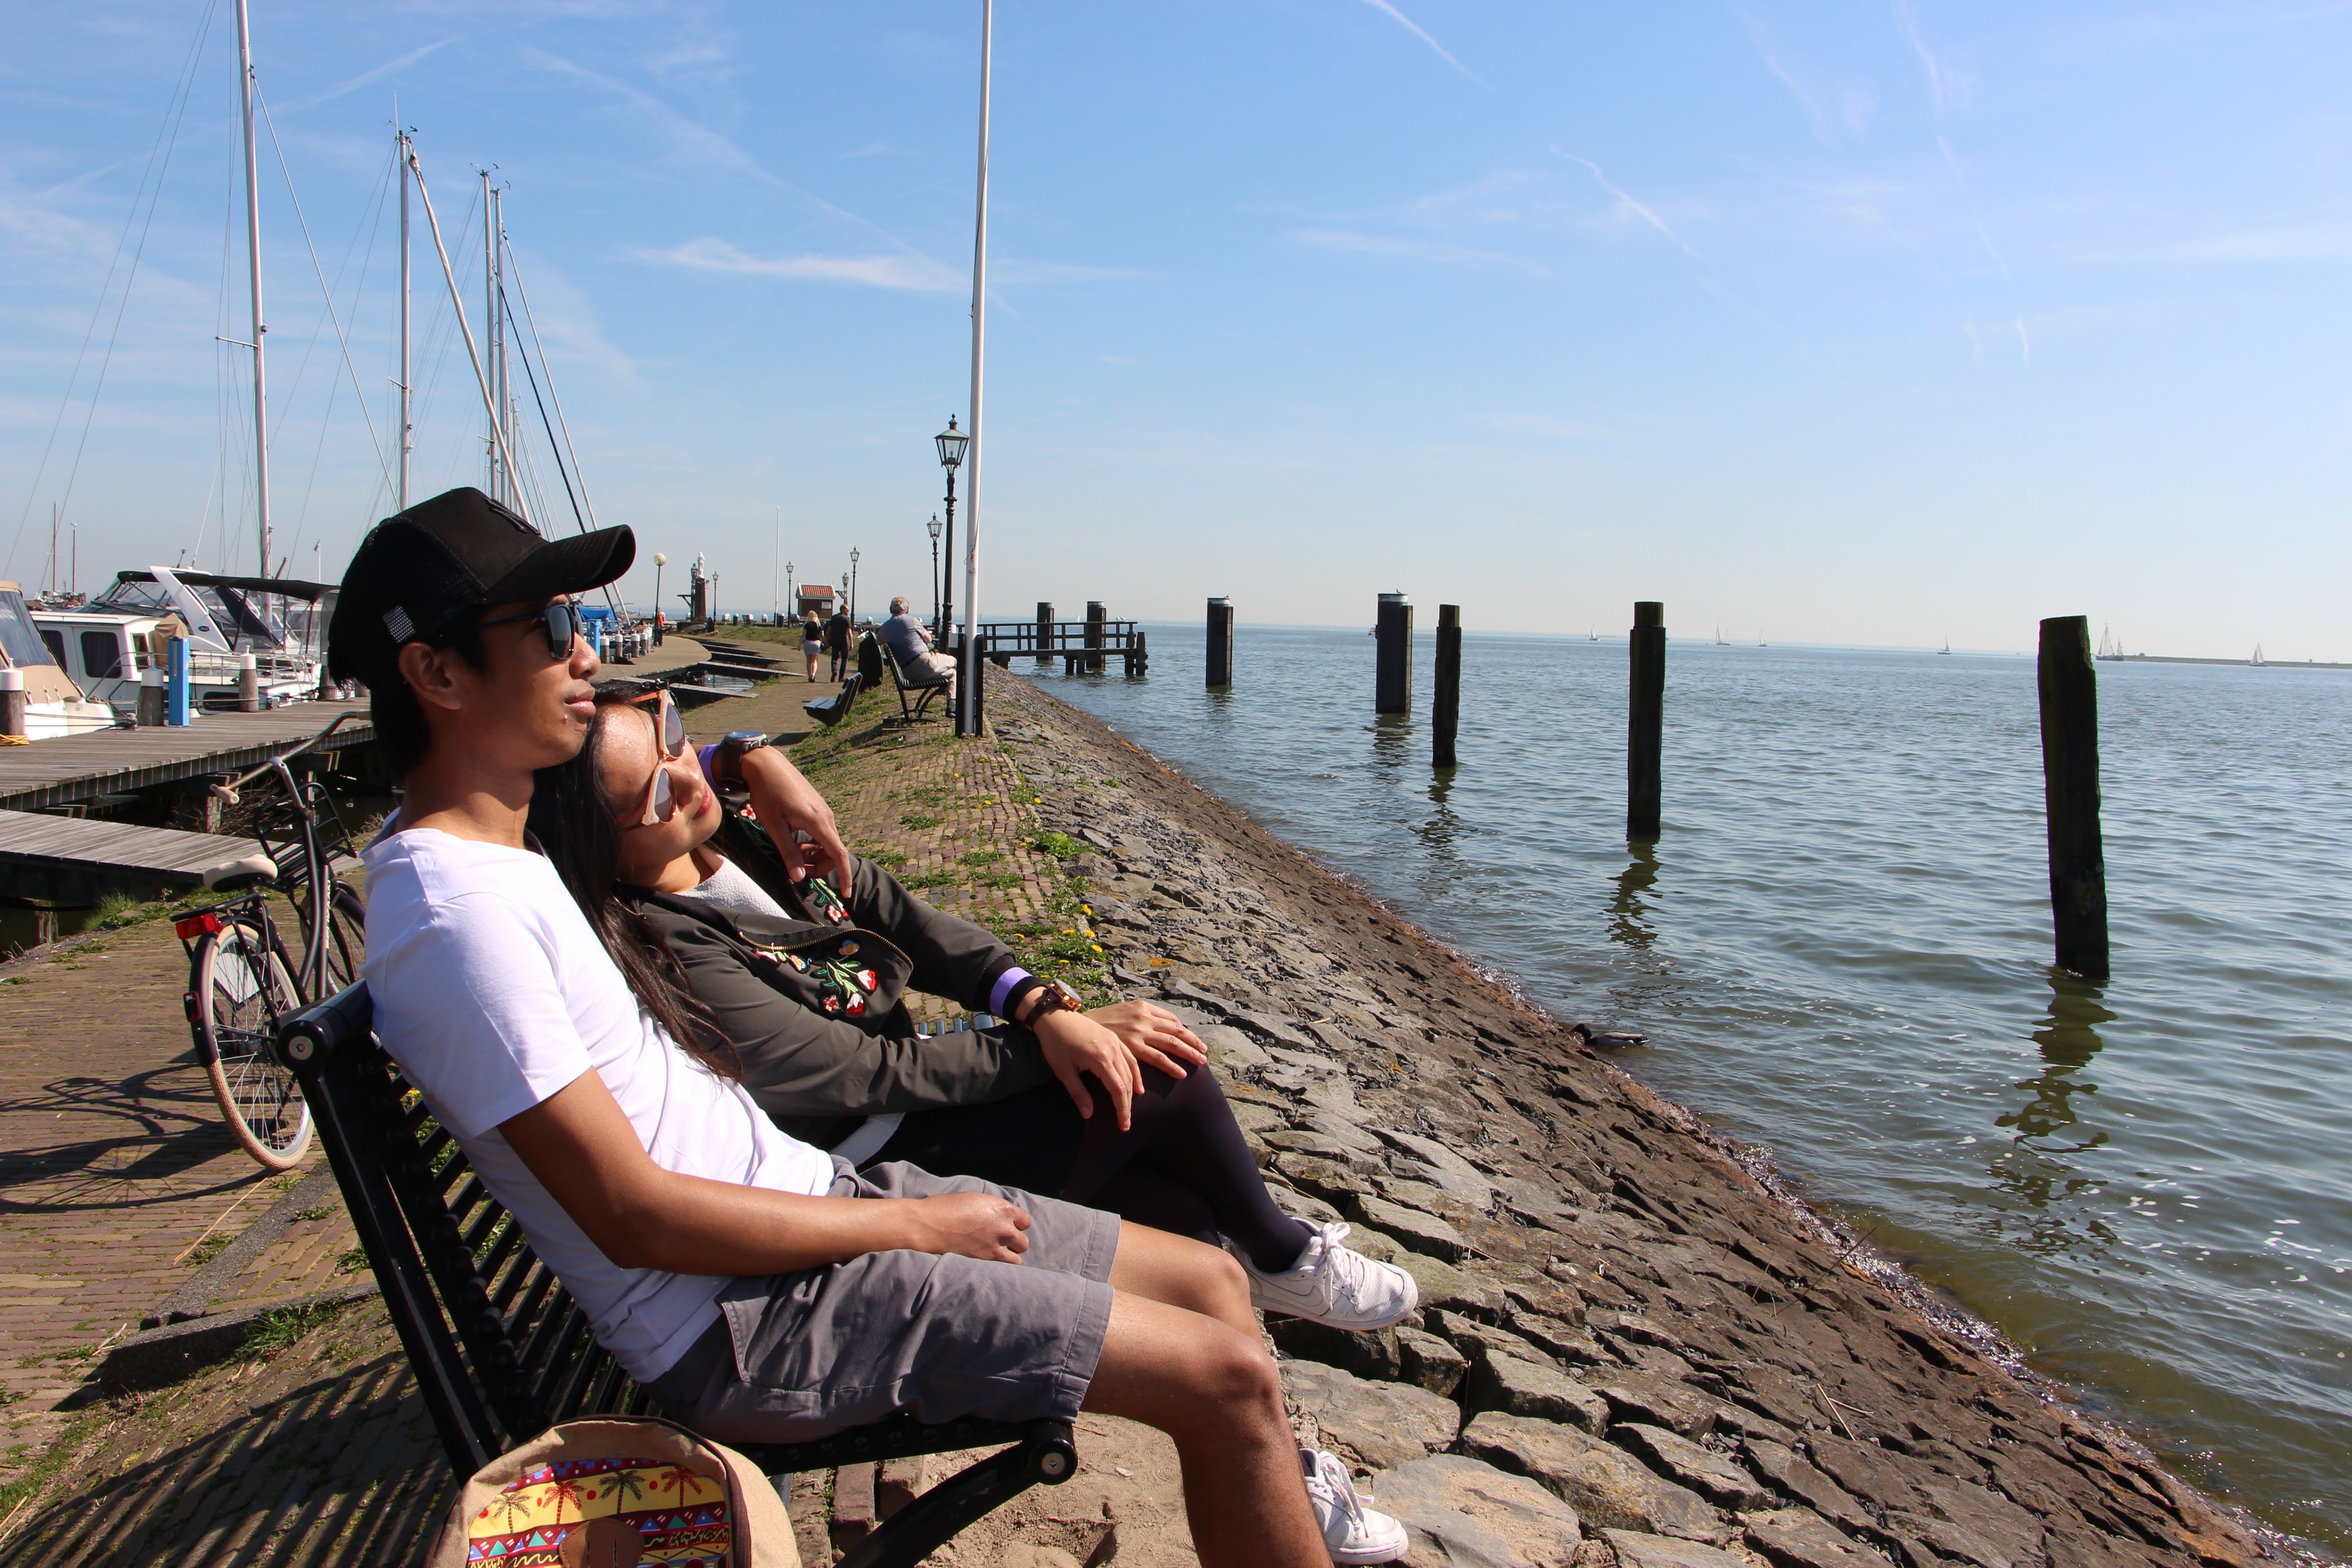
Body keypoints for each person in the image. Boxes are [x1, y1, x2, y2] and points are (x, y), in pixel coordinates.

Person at [328, 486, 1406, 1568]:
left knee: (1215, 1283)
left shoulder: (497, 860)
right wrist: (915, 1229)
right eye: (554, 628)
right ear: (436, 672)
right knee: (1225, 1377)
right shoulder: (455, 917)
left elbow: (645, 779)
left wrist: (747, 754)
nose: (587, 656)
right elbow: (632, 1217)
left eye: (585, 623)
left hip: (816, 1217)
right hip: (745, 1324)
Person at [525, 686, 1417, 1333]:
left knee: (1176, 1214)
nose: (685, 777)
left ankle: (1265, 1403)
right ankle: (1281, 1253)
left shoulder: (741, 840)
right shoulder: (670, 947)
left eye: (674, 736)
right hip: (878, 1164)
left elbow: (903, 917)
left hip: (915, 1119)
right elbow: (869, 1076)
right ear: (600, 844)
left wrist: (1036, 1002)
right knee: (1154, 1076)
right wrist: (1064, 1038)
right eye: (653, 792)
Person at [876, 595, 957, 695]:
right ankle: (953, 705)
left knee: (950, 672)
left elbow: (878, 642)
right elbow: (928, 639)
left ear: (890, 610)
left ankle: (947, 694)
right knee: (954, 662)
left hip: (909, 673)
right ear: (907, 610)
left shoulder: (885, 628)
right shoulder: (912, 621)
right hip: (925, 663)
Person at [824, 604, 850, 683]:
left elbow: (829, 630)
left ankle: (834, 670)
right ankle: (841, 677)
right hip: (844, 642)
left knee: (834, 658)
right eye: (847, 610)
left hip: (834, 641)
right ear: (843, 610)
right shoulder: (847, 619)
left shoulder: (834, 618)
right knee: (844, 659)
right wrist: (852, 643)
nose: (848, 611)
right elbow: (849, 632)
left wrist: (827, 641)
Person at [799, 608, 823, 681]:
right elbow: (823, 636)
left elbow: (803, 636)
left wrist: (799, 645)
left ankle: (809, 676)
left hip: (808, 643)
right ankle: (813, 675)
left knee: (809, 661)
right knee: (814, 661)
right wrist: (826, 643)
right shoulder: (819, 626)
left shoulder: (807, 626)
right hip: (816, 643)